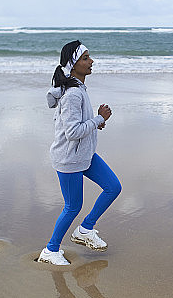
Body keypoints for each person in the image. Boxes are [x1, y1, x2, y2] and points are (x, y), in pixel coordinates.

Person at [38, 40, 122, 266]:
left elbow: (77, 125)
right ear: (73, 65)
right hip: (69, 158)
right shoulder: (73, 94)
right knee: (72, 206)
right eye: (85, 58)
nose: (91, 61)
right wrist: (99, 118)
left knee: (113, 187)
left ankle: (85, 230)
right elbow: (73, 132)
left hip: (85, 154)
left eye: (89, 57)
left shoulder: (79, 89)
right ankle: (50, 250)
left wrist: (94, 123)